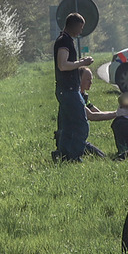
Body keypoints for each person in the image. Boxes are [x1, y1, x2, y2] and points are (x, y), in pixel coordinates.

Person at [52, 13, 94, 162]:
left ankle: (63, 155)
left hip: (65, 90)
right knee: (81, 124)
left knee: (68, 127)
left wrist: (79, 62)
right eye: (80, 27)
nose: (80, 31)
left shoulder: (65, 40)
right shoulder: (64, 41)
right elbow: (62, 65)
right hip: (68, 90)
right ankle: (75, 156)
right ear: (74, 25)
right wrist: (82, 63)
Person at [78, 66, 128, 157]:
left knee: (102, 156)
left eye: (91, 79)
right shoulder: (76, 97)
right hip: (74, 141)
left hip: (80, 139)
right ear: (78, 80)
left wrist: (118, 112)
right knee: (102, 157)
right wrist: (117, 113)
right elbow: (92, 116)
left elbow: (97, 112)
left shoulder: (83, 95)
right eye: (87, 79)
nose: (91, 82)